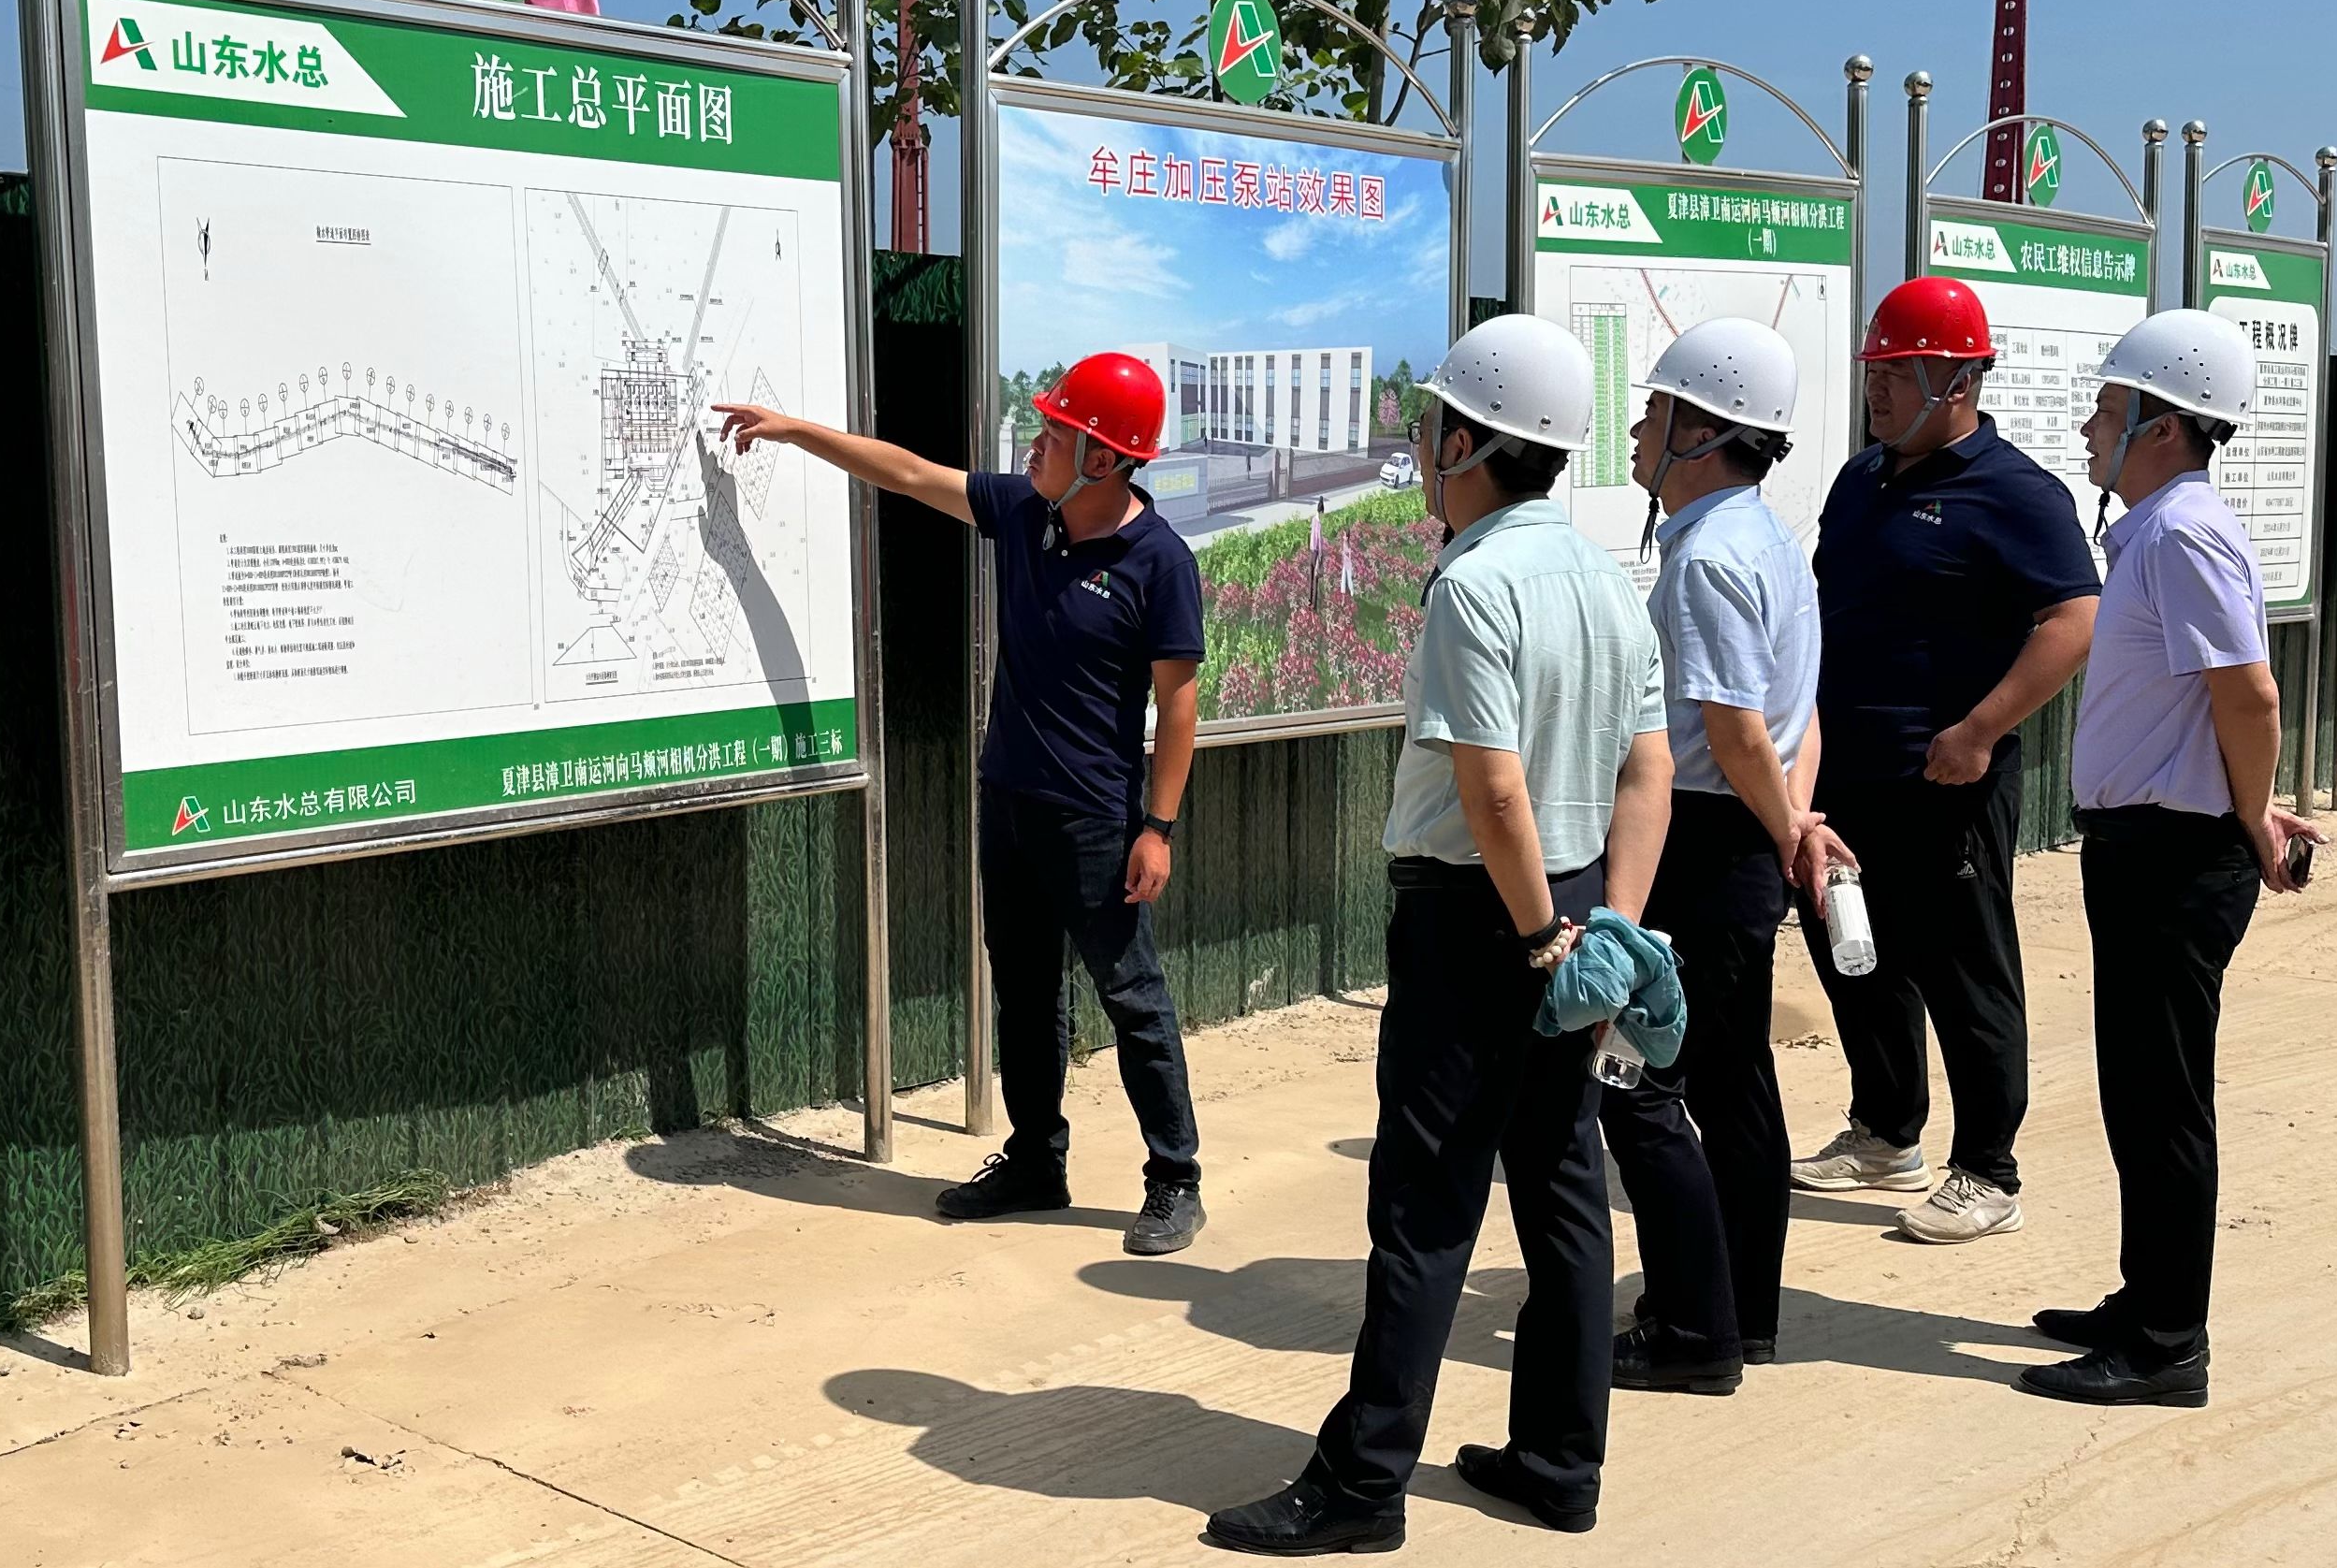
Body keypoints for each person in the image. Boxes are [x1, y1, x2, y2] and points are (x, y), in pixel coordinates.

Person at [1204, 314, 1671, 1555]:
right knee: (1563, 1183)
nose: (1417, 445)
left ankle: (1362, 1485)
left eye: (1429, 425)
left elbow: (1493, 790)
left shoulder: (1474, 583)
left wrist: (1539, 940)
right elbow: (1647, 769)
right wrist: (1608, 930)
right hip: (1575, 898)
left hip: (1481, 918)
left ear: (1465, 442)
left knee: (1425, 1201)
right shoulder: (1604, 579)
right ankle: (1559, 1463)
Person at [715, 354, 1211, 1257]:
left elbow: (1179, 704)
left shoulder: (1159, 562)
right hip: (1008, 801)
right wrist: (793, 432)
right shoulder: (1024, 514)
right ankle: (1036, 1162)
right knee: (1023, 990)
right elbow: (907, 473)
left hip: (1096, 820)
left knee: (1130, 994)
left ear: (1103, 459)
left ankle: (1174, 1177)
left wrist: (1158, 828)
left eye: (1055, 433)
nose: (1035, 443)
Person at [2020, 309, 2324, 1409]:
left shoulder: (2181, 533)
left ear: (2160, 424)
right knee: (2136, 1089)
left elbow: (2247, 694)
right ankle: (2142, 1297)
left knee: (2161, 1099)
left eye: (2106, 408)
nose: (2088, 426)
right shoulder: (2156, 531)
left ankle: (2164, 1345)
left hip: (2175, 855)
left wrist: (2249, 818)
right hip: (2145, 846)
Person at [1790, 276, 2099, 1244]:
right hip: (1845, 777)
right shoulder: (1860, 479)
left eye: (1898, 371)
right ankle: (1887, 1130)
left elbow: (2073, 619)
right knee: (1854, 955)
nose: (1875, 389)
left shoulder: (2016, 493)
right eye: (1873, 370)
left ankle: (1988, 1170)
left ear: (1958, 380)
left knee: (1965, 972)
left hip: (1946, 782)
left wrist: (1980, 729)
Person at [1596, 316, 1820, 1397]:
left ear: (1700, 429)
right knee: (1733, 1082)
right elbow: (1798, 714)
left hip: (1706, 833)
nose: (1639, 429)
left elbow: (1732, 729)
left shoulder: (1710, 557)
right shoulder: (1763, 538)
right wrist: (1795, 821)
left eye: (1655, 410)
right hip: (1744, 829)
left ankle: (1695, 1327)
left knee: (1640, 1082)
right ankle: (1741, 1311)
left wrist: (1783, 830)